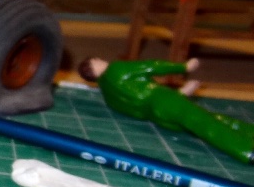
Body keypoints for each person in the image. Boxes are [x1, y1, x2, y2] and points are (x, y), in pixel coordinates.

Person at [78, 57, 254, 164]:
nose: (101, 59)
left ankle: (249, 132)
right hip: (165, 100)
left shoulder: (109, 97)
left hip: (158, 115)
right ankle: (246, 150)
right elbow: (151, 66)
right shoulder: (116, 69)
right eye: (96, 60)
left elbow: (144, 102)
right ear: (94, 65)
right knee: (206, 124)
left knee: (209, 119)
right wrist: (183, 67)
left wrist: (181, 94)